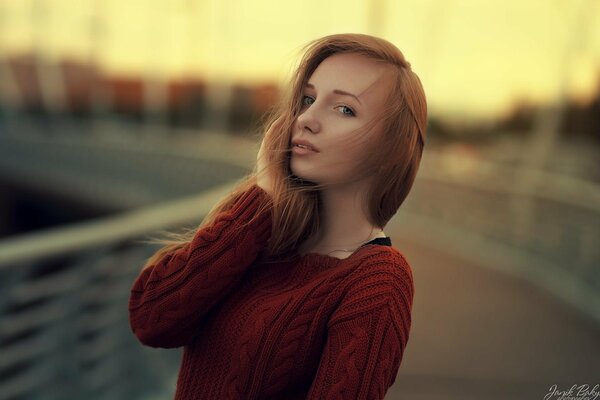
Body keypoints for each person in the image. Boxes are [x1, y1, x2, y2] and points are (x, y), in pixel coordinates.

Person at [128, 32, 427, 400]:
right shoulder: (260, 236)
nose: (306, 119)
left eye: (344, 109)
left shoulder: (377, 279)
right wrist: (263, 197)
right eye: (308, 99)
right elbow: (151, 321)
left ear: (390, 146)